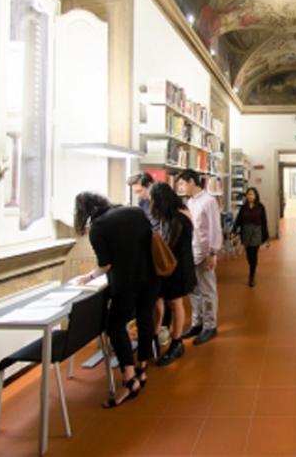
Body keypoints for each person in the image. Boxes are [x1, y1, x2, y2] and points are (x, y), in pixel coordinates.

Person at [74, 192, 160, 408]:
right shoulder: (134, 211)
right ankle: (141, 368)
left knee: (114, 325)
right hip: (150, 276)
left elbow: (106, 265)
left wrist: (89, 277)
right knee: (144, 318)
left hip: (126, 282)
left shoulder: (98, 228)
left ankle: (129, 379)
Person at [150, 182, 196, 366]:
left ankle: (176, 342)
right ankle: (160, 335)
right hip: (174, 267)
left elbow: (169, 245)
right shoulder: (174, 215)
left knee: (176, 304)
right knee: (164, 302)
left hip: (177, 269)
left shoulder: (177, 219)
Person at [177, 169, 222, 345]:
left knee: (207, 290)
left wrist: (212, 253)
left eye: (182, 183)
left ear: (192, 182)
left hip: (204, 253)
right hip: (191, 252)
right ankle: (198, 322)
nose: (180, 187)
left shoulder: (209, 201)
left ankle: (210, 325)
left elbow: (214, 228)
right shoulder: (189, 202)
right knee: (193, 290)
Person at [233, 187, 269, 287]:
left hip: (256, 231)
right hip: (246, 231)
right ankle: (251, 266)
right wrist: (234, 230)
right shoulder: (243, 207)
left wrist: (265, 236)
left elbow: (264, 222)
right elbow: (238, 220)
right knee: (248, 255)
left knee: (254, 253)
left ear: (256, 195)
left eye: (252, 194)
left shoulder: (261, 207)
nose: (250, 196)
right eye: (248, 194)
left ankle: (252, 276)